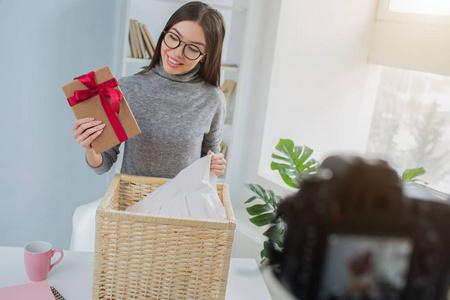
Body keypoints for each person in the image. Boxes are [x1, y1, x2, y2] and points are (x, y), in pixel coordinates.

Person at [71, 1, 227, 178]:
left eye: (193, 48)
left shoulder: (213, 99)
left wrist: (214, 165)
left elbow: (209, 162)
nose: (177, 52)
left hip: (181, 203)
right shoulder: (128, 88)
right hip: (132, 201)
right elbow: (103, 164)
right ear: (163, 35)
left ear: (205, 57)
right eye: (174, 38)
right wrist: (90, 148)